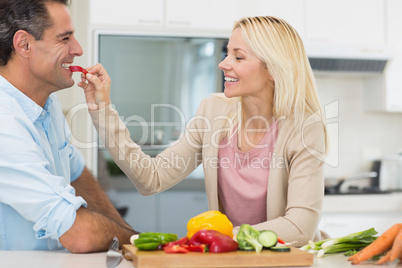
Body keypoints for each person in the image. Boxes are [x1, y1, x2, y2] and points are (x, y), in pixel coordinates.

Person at [81, 16, 328, 246]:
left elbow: (300, 228)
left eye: (238, 57)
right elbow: (151, 178)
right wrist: (102, 109)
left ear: (274, 69)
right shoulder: (213, 112)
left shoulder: (305, 128)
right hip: (230, 257)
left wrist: (217, 237)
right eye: (226, 54)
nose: (223, 64)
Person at [0, 0, 137, 252]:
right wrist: (138, 241)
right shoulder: (4, 120)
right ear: (24, 44)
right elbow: (79, 234)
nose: (78, 49)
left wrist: (129, 238)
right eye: (64, 38)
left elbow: (77, 175)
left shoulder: (47, 104)